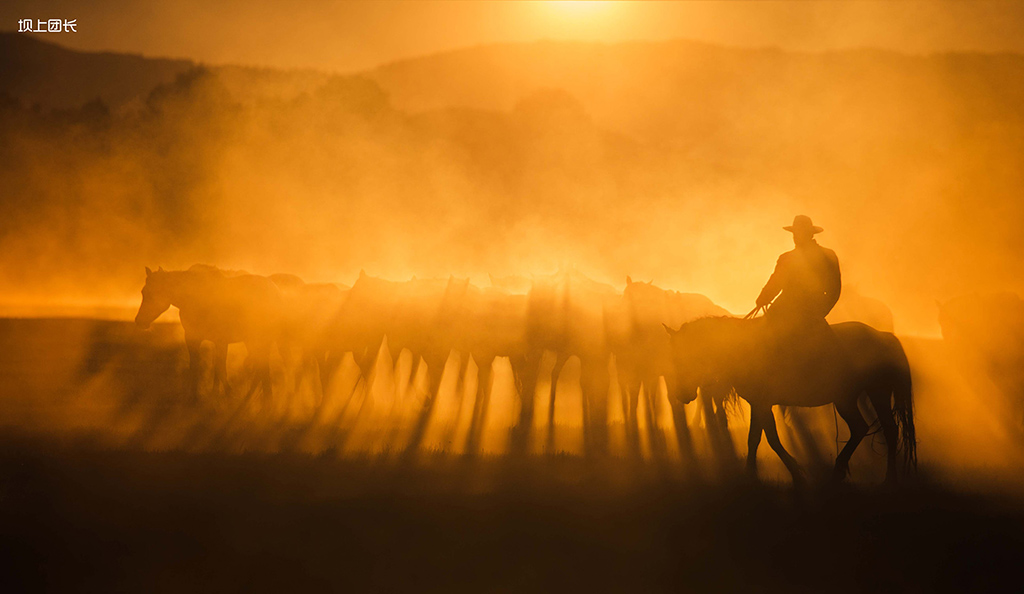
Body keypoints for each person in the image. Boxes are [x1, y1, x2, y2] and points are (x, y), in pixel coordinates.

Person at [756, 215, 841, 332]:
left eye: (799, 232)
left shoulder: (825, 256)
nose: (795, 236)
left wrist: (818, 313)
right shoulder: (826, 255)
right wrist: (763, 298)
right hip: (794, 310)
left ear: (810, 234)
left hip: (808, 311)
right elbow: (775, 283)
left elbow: (834, 290)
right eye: (795, 233)